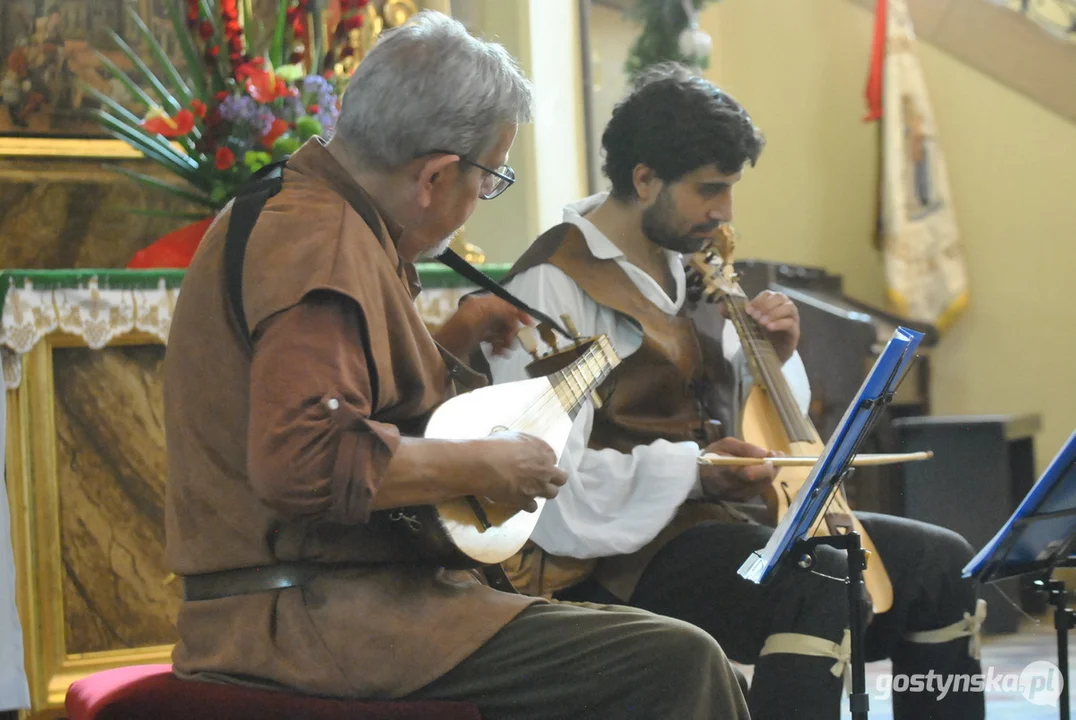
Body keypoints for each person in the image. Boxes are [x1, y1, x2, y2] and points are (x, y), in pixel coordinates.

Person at [163, 14, 750, 720]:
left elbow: (344, 389)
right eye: (491, 176)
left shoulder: (302, 209)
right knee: (681, 662)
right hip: (312, 619)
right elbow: (302, 459)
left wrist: (458, 337)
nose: (481, 195)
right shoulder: (323, 243)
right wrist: (489, 467)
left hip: (325, 602)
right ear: (435, 176)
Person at [483, 62, 986, 720]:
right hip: (617, 556)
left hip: (725, 525)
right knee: (821, 575)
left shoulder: (693, 260)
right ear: (644, 179)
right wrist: (696, 474)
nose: (724, 212)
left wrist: (776, 359)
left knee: (943, 565)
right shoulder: (553, 284)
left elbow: (758, 426)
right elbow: (548, 478)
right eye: (709, 190)